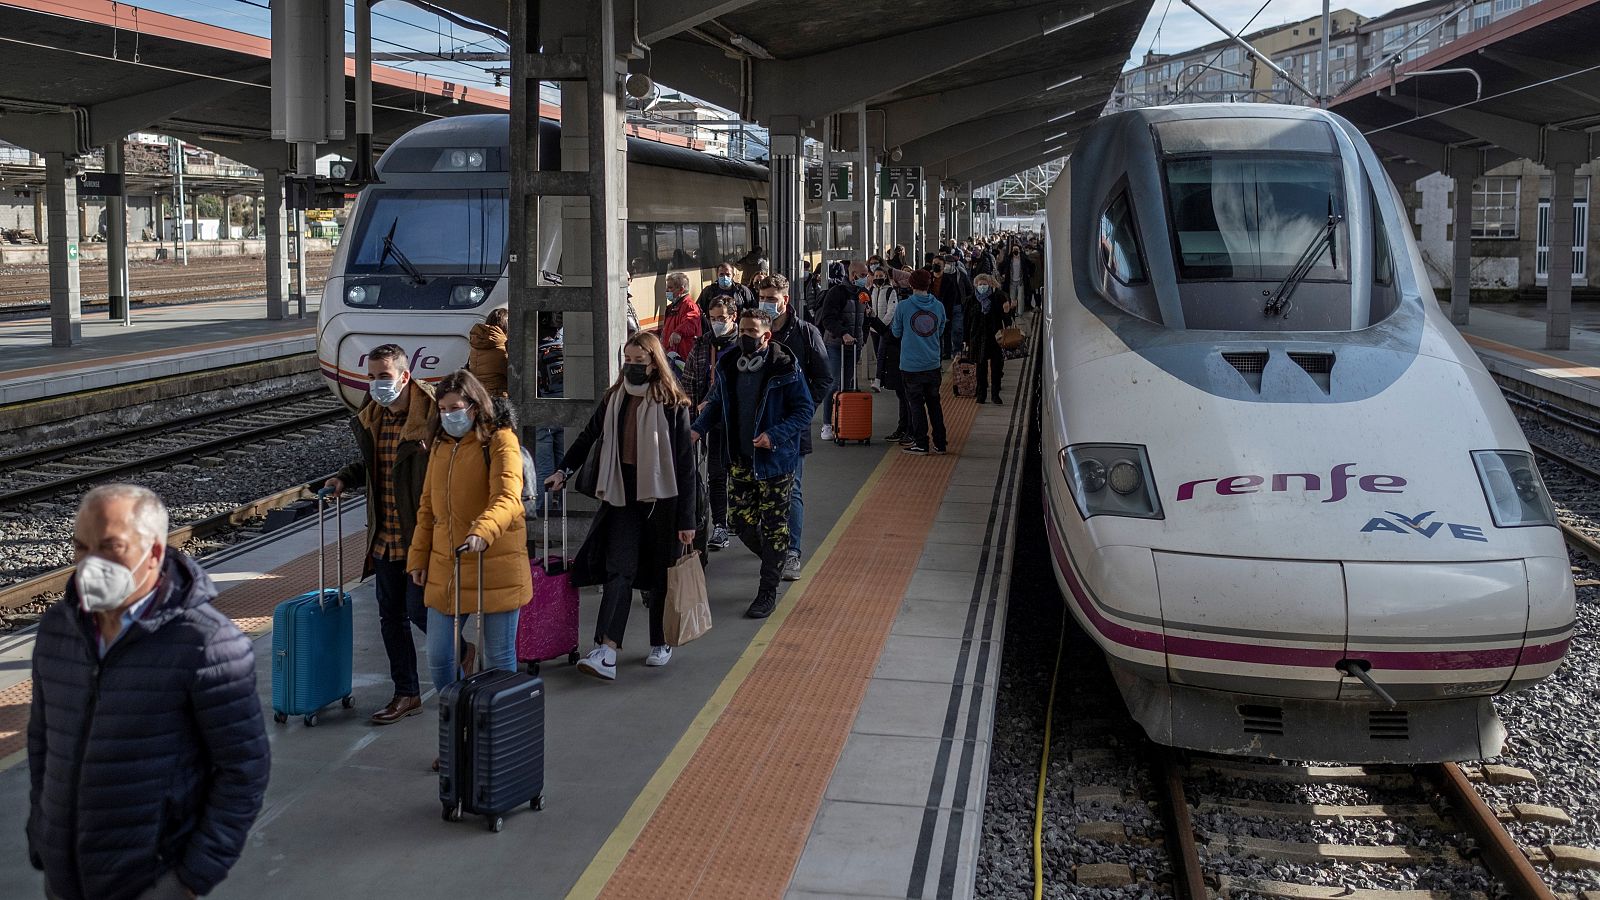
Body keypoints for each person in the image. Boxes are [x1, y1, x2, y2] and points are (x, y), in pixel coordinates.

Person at [29, 484, 269, 900]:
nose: (90, 565)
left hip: (151, 881)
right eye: (81, 547)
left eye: (110, 547)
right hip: (65, 880)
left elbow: (244, 771)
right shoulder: (57, 628)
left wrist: (188, 880)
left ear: (154, 553)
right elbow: (42, 742)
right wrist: (42, 837)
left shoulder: (208, 644)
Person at [545, 333, 697, 678]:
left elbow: (685, 467)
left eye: (639, 362)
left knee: (660, 574)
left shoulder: (673, 405)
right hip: (621, 496)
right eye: (627, 361)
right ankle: (607, 650)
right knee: (619, 569)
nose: (632, 367)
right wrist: (563, 470)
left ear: (654, 364)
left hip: (664, 501)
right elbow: (588, 436)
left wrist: (687, 519)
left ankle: (661, 640)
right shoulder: (615, 398)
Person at [407, 369, 531, 759]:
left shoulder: (500, 441)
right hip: (449, 565)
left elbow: (509, 497)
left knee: (499, 657)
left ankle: (502, 738)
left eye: (456, 408)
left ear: (475, 407)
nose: (448, 416)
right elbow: (427, 508)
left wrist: (482, 530)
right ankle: (457, 730)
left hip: (494, 559)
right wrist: (418, 556)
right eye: (442, 409)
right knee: (439, 656)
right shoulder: (441, 445)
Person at [322, 344, 440, 725]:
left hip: (420, 535)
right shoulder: (373, 416)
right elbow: (375, 464)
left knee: (420, 611)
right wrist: (345, 476)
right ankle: (406, 693)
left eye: (384, 377)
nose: (375, 385)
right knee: (391, 617)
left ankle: (461, 655)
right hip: (385, 536)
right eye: (371, 377)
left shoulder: (433, 416)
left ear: (405, 376)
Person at [691, 308, 815, 618]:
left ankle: (767, 591)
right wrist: (697, 428)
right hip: (741, 460)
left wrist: (775, 435)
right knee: (741, 523)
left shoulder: (785, 367)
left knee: (774, 526)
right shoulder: (730, 363)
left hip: (775, 463)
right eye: (742, 331)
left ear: (766, 335)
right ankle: (774, 558)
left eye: (751, 333)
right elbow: (717, 401)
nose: (744, 337)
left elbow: (804, 411)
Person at [753, 274, 831, 581]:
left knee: (792, 489)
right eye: (763, 298)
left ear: (786, 299)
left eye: (772, 298)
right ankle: (769, 546)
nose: (767, 304)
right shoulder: (754, 332)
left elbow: (824, 378)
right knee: (760, 488)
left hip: (791, 429)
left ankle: (792, 553)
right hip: (757, 428)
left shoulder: (806, 333)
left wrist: (802, 408)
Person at [682, 297, 740, 551]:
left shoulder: (743, 346)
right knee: (716, 473)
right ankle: (720, 525)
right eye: (713, 318)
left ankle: (740, 517)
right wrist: (693, 419)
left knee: (738, 473)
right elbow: (690, 383)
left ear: (733, 317)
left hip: (739, 422)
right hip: (711, 422)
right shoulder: (702, 346)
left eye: (722, 318)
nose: (716, 323)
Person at [894, 268, 949, 455]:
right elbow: (940, 330)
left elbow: (896, 332)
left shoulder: (903, 306)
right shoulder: (939, 306)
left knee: (916, 405)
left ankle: (921, 443)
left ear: (911, 284)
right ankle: (940, 443)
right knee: (934, 403)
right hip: (933, 363)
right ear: (929, 284)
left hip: (910, 365)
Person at [817, 259, 869, 441]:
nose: (866, 278)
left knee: (847, 383)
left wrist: (862, 339)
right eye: (863, 275)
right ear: (853, 275)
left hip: (854, 345)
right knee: (834, 382)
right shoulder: (836, 293)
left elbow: (866, 320)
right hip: (834, 344)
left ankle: (842, 421)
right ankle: (825, 424)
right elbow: (828, 319)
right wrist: (844, 333)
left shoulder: (863, 293)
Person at [866, 267, 909, 441]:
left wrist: (880, 324)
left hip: (885, 330)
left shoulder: (891, 293)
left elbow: (892, 311)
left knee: (905, 393)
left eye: (881, 276)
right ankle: (905, 429)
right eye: (875, 276)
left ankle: (910, 431)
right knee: (903, 393)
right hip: (877, 329)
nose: (878, 278)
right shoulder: (871, 290)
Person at [964, 273, 1016, 406]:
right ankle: (981, 394)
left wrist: (1007, 311)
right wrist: (965, 340)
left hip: (995, 337)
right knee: (980, 367)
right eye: (980, 284)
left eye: (984, 284)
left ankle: (995, 394)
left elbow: (1007, 318)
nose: (982, 286)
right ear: (975, 285)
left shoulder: (999, 297)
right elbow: (966, 321)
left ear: (990, 284)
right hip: (977, 337)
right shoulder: (971, 300)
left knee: (996, 367)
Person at [656, 272, 703, 380]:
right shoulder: (672, 307)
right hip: (671, 355)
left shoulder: (689, 306)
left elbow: (691, 321)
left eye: (670, 288)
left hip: (682, 357)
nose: (667, 291)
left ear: (681, 289)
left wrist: (678, 332)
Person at [468, 307, 511, 398]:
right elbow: (513, 375)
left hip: (479, 396)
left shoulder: (477, 345)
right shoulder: (500, 349)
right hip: (498, 398)